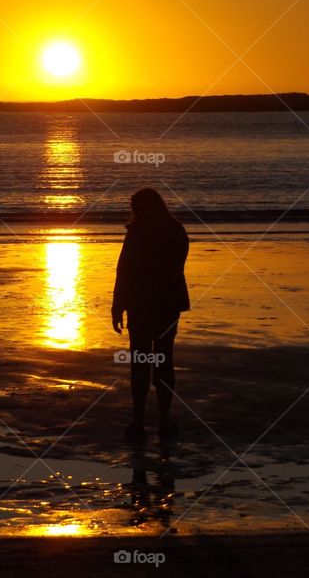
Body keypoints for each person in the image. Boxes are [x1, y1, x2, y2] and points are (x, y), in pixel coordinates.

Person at [112, 188, 189, 441]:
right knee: (163, 359)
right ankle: (163, 421)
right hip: (166, 304)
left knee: (142, 361)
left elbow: (123, 271)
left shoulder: (137, 234)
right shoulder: (176, 231)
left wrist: (118, 305)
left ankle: (140, 421)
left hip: (142, 304)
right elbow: (176, 268)